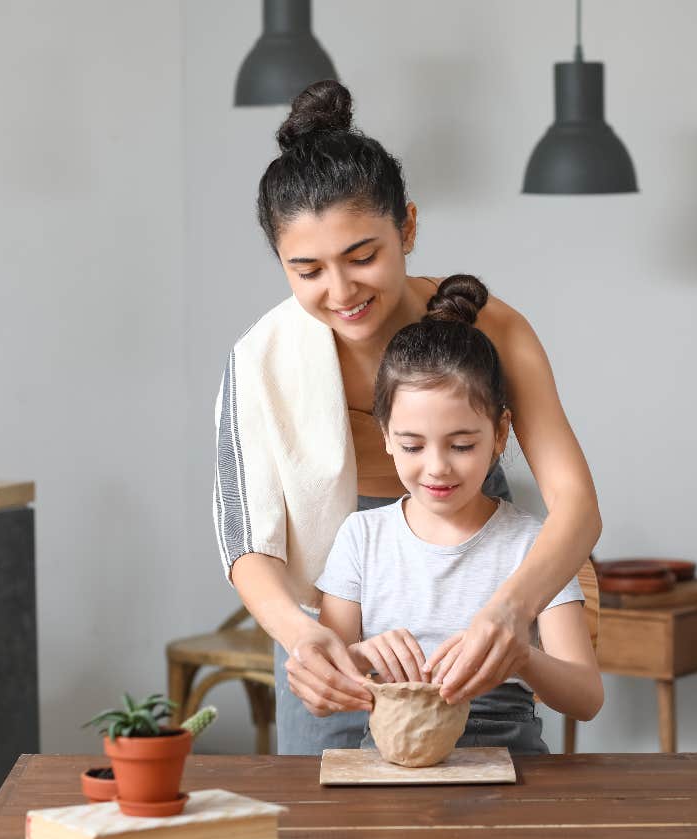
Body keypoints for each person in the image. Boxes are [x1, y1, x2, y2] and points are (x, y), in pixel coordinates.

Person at [213, 79, 602, 755]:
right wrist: (307, 638)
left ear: (409, 228)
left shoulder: (497, 332)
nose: (340, 292)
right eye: (307, 271)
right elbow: (248, 540)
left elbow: (577, 507)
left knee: (487, 746)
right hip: (329, 580)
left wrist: (511, 611)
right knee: (329, 777)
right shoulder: (261, 361)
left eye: (363, 256)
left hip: (471, 527)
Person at [315, 275, 604, 753]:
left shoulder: (532, 545)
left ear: (500, 433)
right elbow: (322, 690)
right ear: (385, 435)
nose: (437, 468)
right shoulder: (361, 538)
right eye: (412, 445)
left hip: (511, 760)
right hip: (393, 763)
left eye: (463, 445)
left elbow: (587, 698)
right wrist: (361, 655)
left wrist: (521, 659)